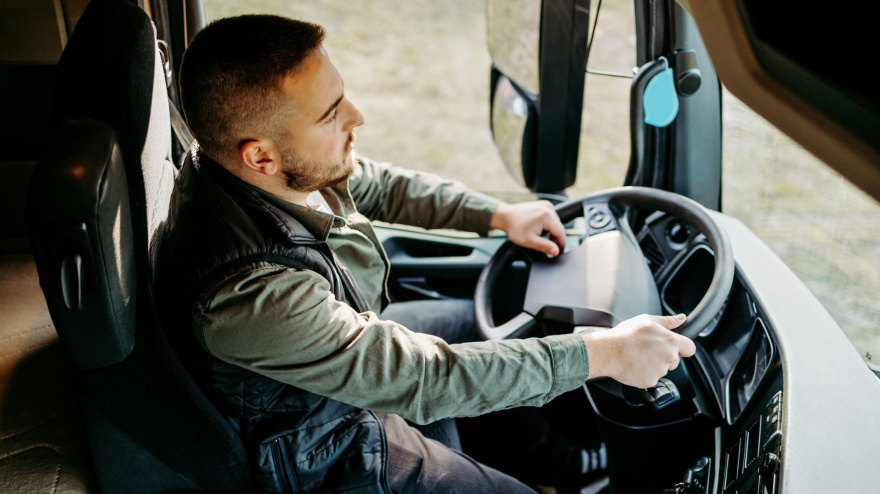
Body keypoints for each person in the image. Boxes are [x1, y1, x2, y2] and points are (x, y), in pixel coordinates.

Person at [153, 14, 696, 493]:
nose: (358, 118)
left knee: (482, 325)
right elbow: (423, 379)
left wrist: (497, 214)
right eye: (331, 114)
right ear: (261, 156)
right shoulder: (250, 293)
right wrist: (603, 355)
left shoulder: (262, 170)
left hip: (338, 369)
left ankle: (565, 464)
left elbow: (378, 183)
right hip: (324, 446)